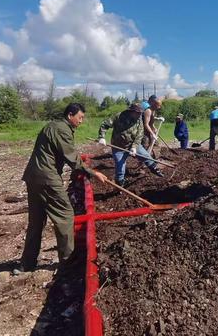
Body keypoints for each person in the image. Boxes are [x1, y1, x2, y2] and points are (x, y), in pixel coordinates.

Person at [19, 103, 108, 272]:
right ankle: (68, 263)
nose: (81, 121)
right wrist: (93, 173)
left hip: (33, 177)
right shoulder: (62, 129)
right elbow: (72, 158)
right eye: (80, 117)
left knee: (36, 222)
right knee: (66, 216)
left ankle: (27, 264)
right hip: (47, 178)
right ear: (70, 115)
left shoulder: (52, 125)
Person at [98, 103, 164, 186]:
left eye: (140, 113)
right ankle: (120, 182)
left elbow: (140, 134)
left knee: (145, 156)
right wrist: (102, 137)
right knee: (120, 165)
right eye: (137, 112)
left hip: (132, 143)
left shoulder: (139, 118)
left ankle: (155, 169)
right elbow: (105, 124)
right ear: (131, 111)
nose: (139, 114)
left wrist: (134, 147)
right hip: (118, 146)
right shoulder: (119, 116)